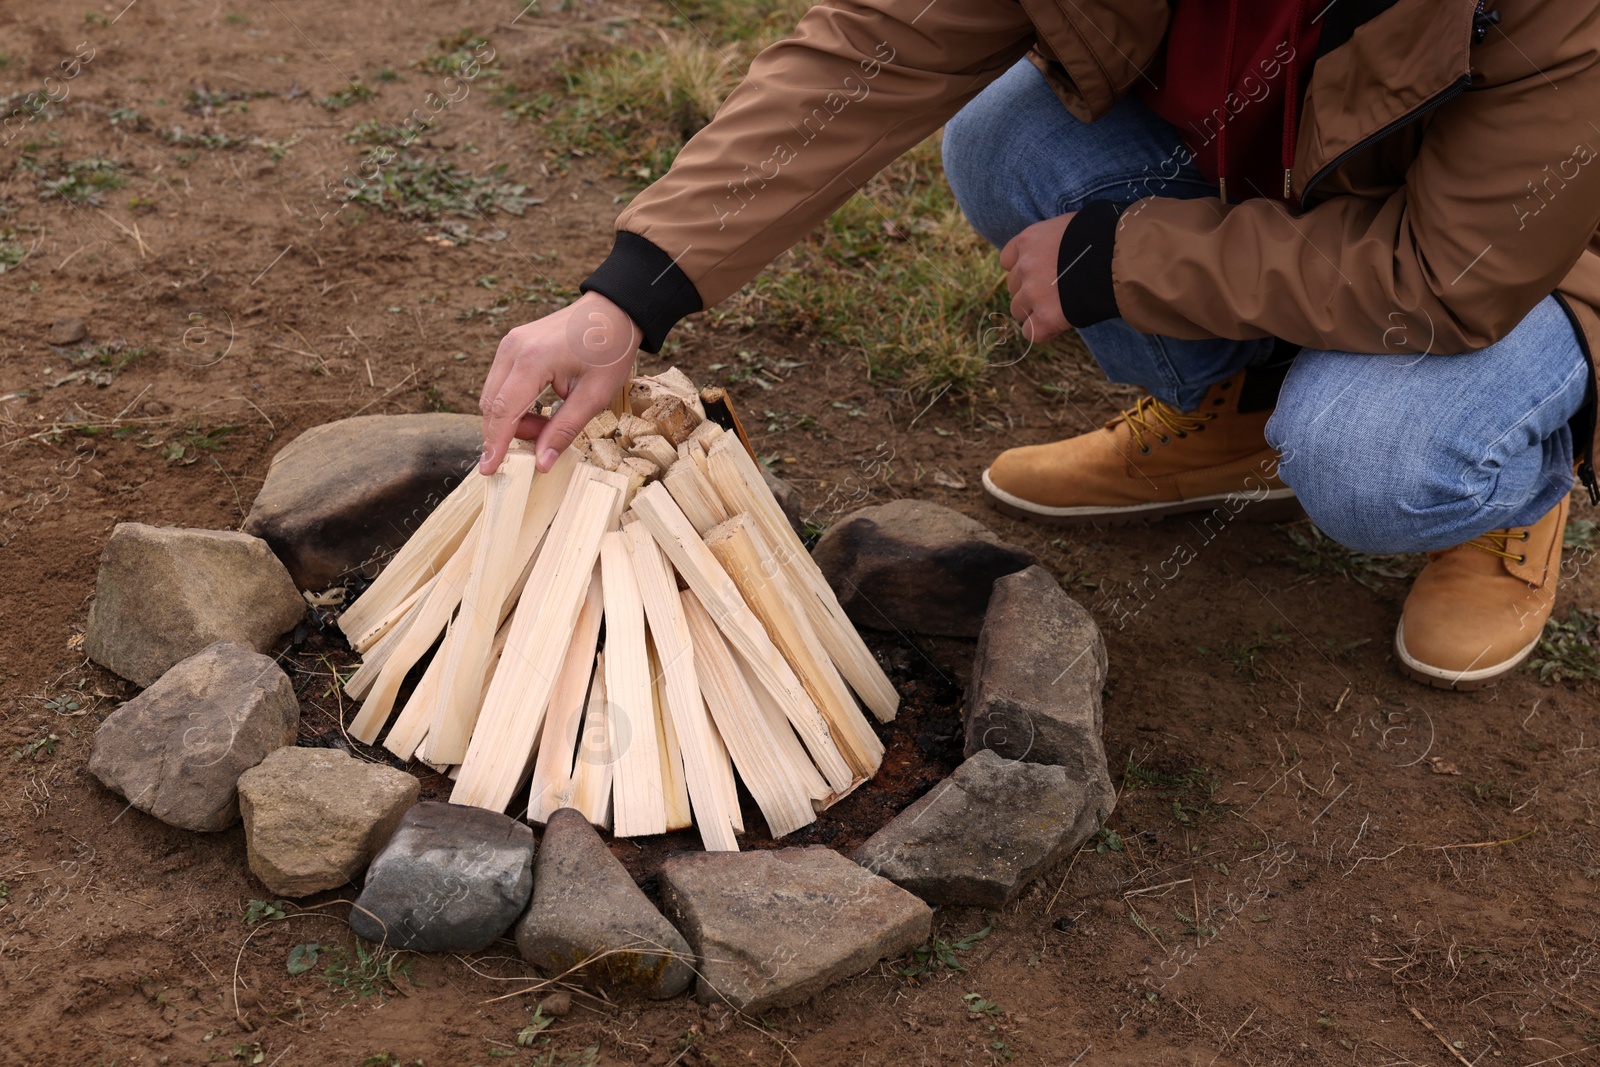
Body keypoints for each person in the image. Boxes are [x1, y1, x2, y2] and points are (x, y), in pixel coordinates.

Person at [477, 0, 1600, 691]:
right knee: (1009, 144)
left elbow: (1448, 275)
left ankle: (1510, 486)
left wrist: (1129, 256)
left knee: (1372, 453)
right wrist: (626, 295)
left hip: (1521, 262)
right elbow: (882, 40)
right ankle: (1239, 417)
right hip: (1290, 197)